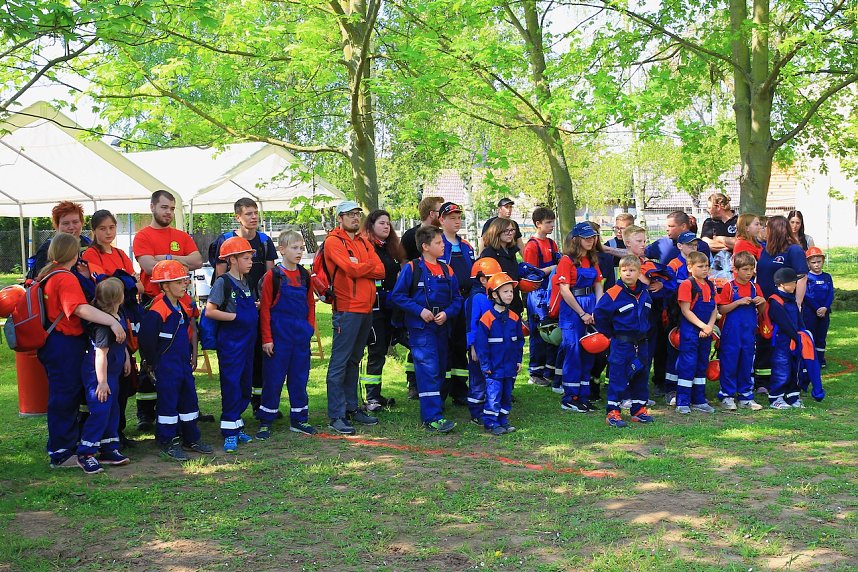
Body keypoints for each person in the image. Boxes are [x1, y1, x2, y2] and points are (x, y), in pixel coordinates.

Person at [35, 234, 128, 470]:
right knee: (64, 397)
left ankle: (72, 445)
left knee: (65, 395)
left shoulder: (49, 274)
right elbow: (79, 309)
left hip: (56, 343)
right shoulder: (64, 278)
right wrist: (112, 321)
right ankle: (62, 452)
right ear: (74, 253)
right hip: (63, 343)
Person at [133, 190, 203, 430]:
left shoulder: (181, 236)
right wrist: (181, 260)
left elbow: (197, 261)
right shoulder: (143, 236)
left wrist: (166, 257)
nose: (169, 213)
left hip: (179, 303)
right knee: (152, 356)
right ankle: (146, 412)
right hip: (153, 303)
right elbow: (149, 267)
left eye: (172, 208)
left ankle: (185, 406)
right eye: (164, 207)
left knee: (180, 352)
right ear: (152, 207)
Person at [390, 225, 463, 433]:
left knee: (440, 368)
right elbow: (398, 296)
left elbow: (457, 299)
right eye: (438, 243)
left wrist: (447, 313)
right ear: (425, 246)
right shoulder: (412, 268)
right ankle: (432, 418)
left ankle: (437, 407)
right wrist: (420, 311)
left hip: (442, 327)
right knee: (428, 370)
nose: (443, 246)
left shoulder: (447, 270)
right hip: (421, 328)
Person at [208, 198, 278, 413]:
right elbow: (222, 278)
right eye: (248, 213)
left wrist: (263, 303)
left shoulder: (265, 241)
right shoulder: (225, 241)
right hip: (234, 310)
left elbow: (270, 277)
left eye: (255, 212)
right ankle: (233, 411)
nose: (254, 217)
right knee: (235, 364)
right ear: (238, 217)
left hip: (257, 306)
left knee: (258, 356)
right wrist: (233, 310)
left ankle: (259, 403)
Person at [139, 259, 212, 460]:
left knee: (189, 400)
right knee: (168, 404)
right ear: (165, 286)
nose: (184, 284)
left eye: (184, 280)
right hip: (166, 366)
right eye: (178, 282)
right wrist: (151, 364)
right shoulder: (157, 310)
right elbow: (146, 340)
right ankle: (167, 441)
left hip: (182, 364)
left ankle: (191, 438)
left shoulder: (181, 306)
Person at [82, 209, 144, 448]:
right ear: (94, 231)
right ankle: (102, 436)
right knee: (106, 373)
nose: (108, 233)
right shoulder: (90, 253)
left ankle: (118, 432)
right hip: (105, 315)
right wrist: (125, 281)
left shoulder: (120, 253)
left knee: (124, 377)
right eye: (102, 228)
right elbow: (104, 285)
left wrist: (124, 282)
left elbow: (137, 285)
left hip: (123, 313)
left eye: (111, 228)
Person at [323, 201, 385, 435]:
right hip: (346, 309)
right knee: (340, 362)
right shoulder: (333, 241)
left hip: (366, 309)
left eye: (357, 214)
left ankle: (351, 407)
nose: (355, 218)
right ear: (340, 218)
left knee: (354, 361)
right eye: (349, 214)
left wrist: (361, 266)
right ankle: (336, 415)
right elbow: (351, 270)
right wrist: (363, 267)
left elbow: (381, 270)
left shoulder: (363, 241)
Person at [257, 230, 317, 439]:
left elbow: (311, 304)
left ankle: (299, 419)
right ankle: (266, 420)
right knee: (273, 380)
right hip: (278, 339)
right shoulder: (272, 276)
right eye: (294, 248)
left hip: (300, 339)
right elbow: (265, 309)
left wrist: (309, 328)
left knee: (299, 379)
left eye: (301, 248)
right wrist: (267, 339)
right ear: (282, 250)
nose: (299, 252)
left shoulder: (305, 275)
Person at [205, 237, 258, 453]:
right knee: (231, 385)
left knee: (245, 385)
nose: (251, 262)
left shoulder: (247, 281)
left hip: (248, 343)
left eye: (251, 258)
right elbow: (210, 311)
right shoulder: (223, 283)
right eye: (246, 258)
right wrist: (236, 317)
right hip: (231, 344)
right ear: (232, 260)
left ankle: (236, 424)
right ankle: (229, 432)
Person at [77, 278, 132, 473]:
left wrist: (126, 358)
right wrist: (101, 383)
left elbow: (121, 342)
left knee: (113, 409)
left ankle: (109, 448)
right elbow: (100, 354)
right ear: (119, 297)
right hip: (99, 375)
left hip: (113, 374)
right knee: (100, 411)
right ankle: (86, 452)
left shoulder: (118, 316)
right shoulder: (103, 325)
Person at [594, 255, 654, 428]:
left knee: (641, 375)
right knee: (618, 376)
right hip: (622, 343)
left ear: (639, 272)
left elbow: (647, 315)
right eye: (624, 270)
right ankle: (613, 411)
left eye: (632, 270)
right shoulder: (613, 293)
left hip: (642, 343)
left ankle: (639, 410)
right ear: (619, 272)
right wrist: (611, 334)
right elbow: (600, 315)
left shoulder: (645, 293)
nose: (628, 273)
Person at [555, 222, 604, 413]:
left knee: (589, 351)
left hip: (591, 306)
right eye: (586, 238)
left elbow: (598, 284)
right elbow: (565, 290)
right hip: (572, 309)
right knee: (573, 351)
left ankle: (584, 395)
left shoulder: (592, 260)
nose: (591, 241)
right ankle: (570, 397)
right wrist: (582, 313)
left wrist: (597, 309)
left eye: (593, 237)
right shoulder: (566, 261)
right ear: (576, 239)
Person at [399, 195, 444, 397]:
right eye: (440, 210)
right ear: (432, 213)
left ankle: (441, 389)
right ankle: (414, 383)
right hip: (416, 301)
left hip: (440, 304)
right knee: (417, 346)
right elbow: (403, 263)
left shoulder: (442, 236)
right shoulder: (411, 236)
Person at [361, 210, 405, 412]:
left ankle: (376, 395)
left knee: (382, 349)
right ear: (371, 225)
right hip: (374, 307)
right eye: (381, 223)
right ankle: (371, 397)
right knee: (376, 350)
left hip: (390, 306)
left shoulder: (391, 248)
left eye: (388, 223)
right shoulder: (366, 248)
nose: (386, 226)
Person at [474, 272, 524, 435]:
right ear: (494, 294)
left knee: (506, 395)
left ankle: (503, 420)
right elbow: (481, 345)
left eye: (511, 291)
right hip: (494, 368)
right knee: (493, 395)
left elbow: (519, 341)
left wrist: (518, 360)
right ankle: (491, 422)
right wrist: (485, 365)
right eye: (505, 291)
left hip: (509, 366)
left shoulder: (514, 318)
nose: (510, 294)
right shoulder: (487, 319)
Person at [715, 251, 766, 411]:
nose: (749, 273)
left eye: (751, 269)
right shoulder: (729, 287)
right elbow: (722, 309)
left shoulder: (755, 287)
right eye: (745, 269)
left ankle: (746, 396)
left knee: (746, 363)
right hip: (731, 333)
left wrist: (762, 302)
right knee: (729, 363)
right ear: (735, 270)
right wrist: (738, 302)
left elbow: (762, 311)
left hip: (748, 332)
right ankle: (727, 395)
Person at [438, 202, 476, 406]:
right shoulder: (437, 244)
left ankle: (460, 390)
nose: (457, 221)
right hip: (446, 303)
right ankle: (442, 391)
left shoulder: (466, 246)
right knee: (445, 346)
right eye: (452, 218)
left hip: (466, 302)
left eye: (459, 217)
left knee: (462, 345)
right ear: (441, 220)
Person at [674, 251, 718, 415]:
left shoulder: (710, 285)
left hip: (706, 330)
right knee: (688, 364)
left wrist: (709, 326)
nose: (705, 269)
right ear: (690, 267)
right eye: (700, 266)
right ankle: (683, 401)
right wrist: (702, 326)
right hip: (691, 331)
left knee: (702, 365)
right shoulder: (687, 285)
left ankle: (699, 400)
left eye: (707, 266)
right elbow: (686, 310)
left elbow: (714, 308)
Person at [523, 207, 559, 387]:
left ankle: (549, 370)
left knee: (552, 330)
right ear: (538, 224)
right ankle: (535, 372)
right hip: (537, 293)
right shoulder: (532, 246)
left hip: (551, 292)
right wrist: (550, 269)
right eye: (548, 222)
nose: (552, 225)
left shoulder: (552, 243)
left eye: (553, 222)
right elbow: (530, 275)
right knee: (538, 332)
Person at [465, 257, 503, 423]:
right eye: (494, 277)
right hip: (479, 347)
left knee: (490, 377)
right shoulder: (476, 298)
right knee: (478, 380)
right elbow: (471, 324)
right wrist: (473, 346)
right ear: (483, 280)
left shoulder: (491, 296)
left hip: (492, 345)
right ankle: (476, 413)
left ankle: (490, 408)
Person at [766, 267, 807, 409]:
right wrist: (796, 337)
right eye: (793, 282)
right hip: (782, 342)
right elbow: (784, 324)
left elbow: (799, 319)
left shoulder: (791, 299)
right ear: (782, 284)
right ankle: (776, 397)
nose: (796, 284)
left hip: (795, 340)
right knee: (782, 368)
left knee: (795, 367)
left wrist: (804, 334)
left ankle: (792, 396)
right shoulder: (776, 301)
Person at [27, 201, 92, 286]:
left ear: (82, 223)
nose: (71, 227)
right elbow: (42, 279)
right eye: (66, 223)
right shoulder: (48, 248)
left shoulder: (89, 244)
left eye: (75, 222)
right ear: (57, 226)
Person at [480, 218, 523, 315]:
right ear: (497, 232)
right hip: (498, 303)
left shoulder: (511, 250)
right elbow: (488, 282)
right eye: (506, 230)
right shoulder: (489, 253)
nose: (510, 233)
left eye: (512, 230)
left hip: (514, 299)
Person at [803, 247, 833, 368]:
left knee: (821, 336)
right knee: (811, 336)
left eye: (819, 262)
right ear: (808, 263)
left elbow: (830, 293)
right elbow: (806, 295)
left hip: (824, 313)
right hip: (810, 313)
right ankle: (811, 360)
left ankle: (820, 359)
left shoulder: (827, 277)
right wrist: (817, 308)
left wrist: (825, 307)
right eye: (813, 262)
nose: (816, 264)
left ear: (823, 261)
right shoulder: (806, 278)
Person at [401, 196, 444, 262]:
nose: (443, 215)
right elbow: (402, 262)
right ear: (432, 214)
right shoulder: (409, 237)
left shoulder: (444, 235)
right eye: (440, 212)